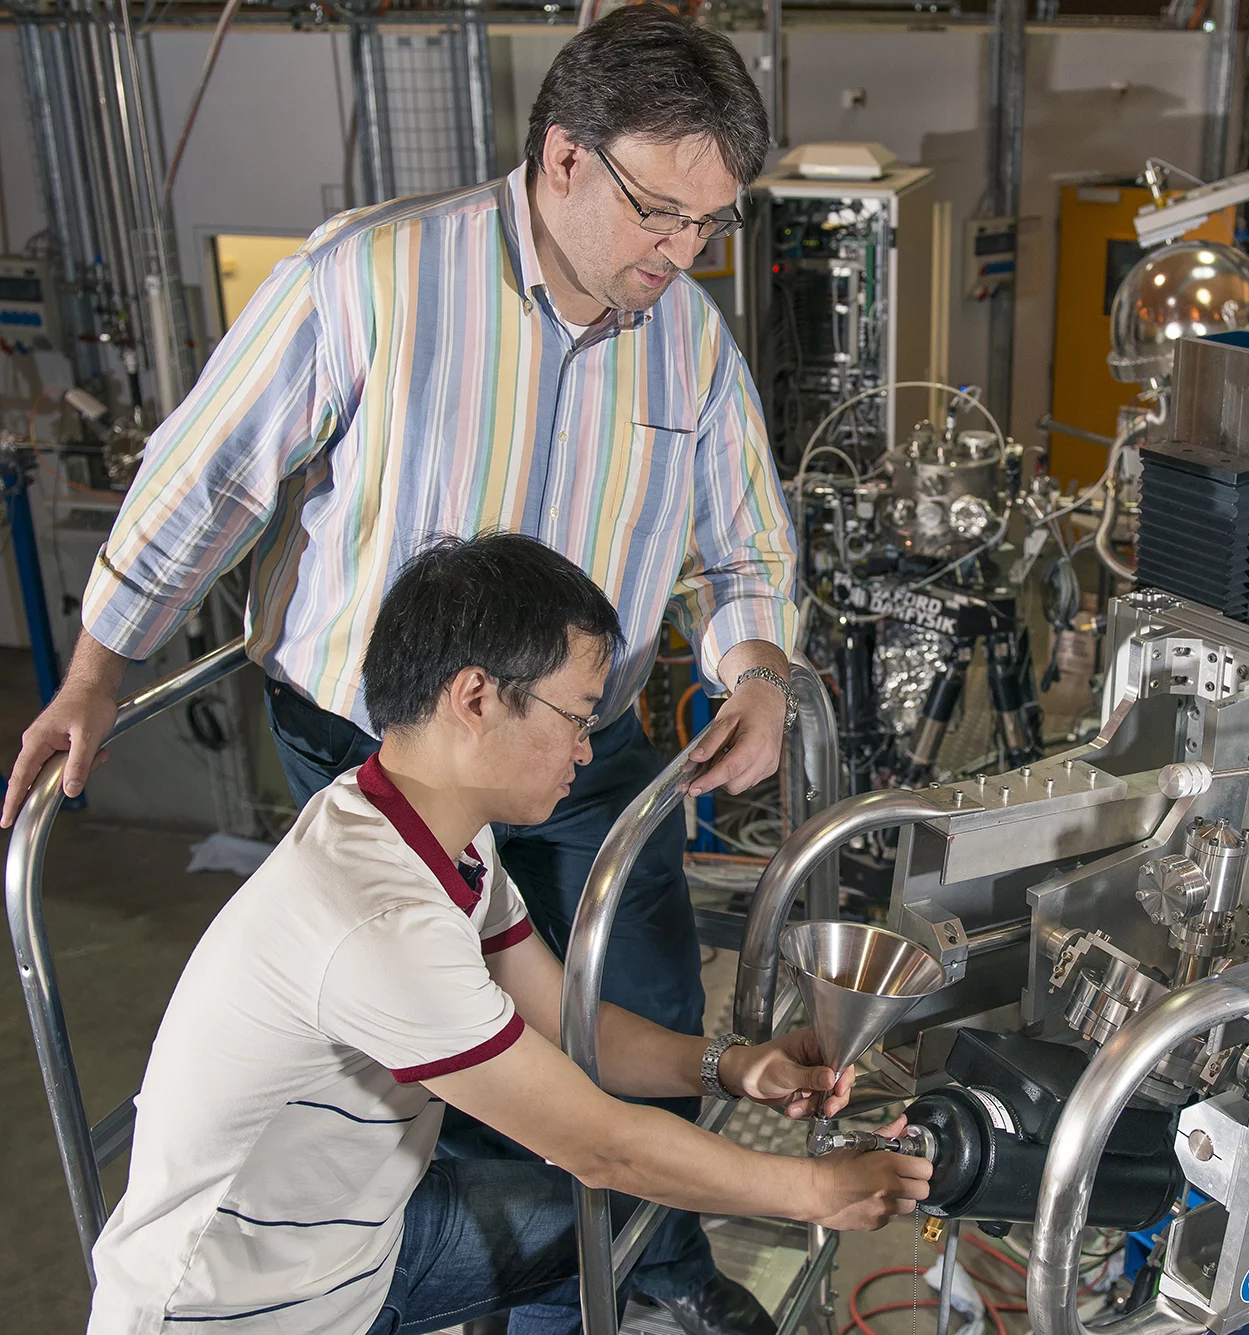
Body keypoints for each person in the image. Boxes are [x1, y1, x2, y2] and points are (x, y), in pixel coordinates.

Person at [4, 10, 797, 1331]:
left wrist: (758, 667)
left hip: (585, 745)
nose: (680, 253)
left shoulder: (691, 342)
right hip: (391, 747)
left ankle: (651, 1279)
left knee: (639, 994)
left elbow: (746, 547)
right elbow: (205, 485)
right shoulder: (372, 278)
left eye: (709, 226)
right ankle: (526, 1286)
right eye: (660, 213)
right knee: (461, 1059)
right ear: (564, 157)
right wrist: (96, 670)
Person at [86, 533, 932, 1335]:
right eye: (577, 717)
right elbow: (603, 1146)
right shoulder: (377, 917)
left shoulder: (436, 833)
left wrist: (733, 1066)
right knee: (616, 1184)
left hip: (365, 1242)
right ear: (476, 698)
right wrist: (818, 1191)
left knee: (607, 1226)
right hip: (246, 1308)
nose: (585, 752)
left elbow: (565, 1020)